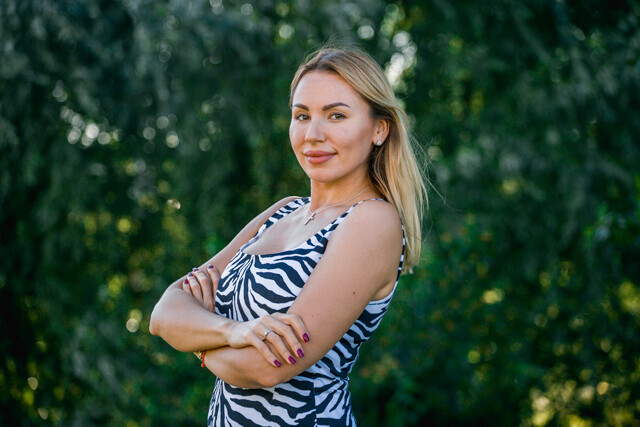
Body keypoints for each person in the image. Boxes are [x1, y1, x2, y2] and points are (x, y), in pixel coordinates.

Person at [149, 47, 426, 426]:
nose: (313, 134)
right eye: (302, 116)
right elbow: (163, 314)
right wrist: (233, 331)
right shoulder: (282, 211)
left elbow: (268, 367)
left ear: (380, 129)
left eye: (336, 115)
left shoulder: (373, 221)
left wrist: (197, 343)